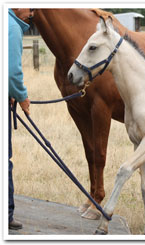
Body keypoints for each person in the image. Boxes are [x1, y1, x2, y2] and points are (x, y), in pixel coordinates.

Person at [9, 8, 34, 230]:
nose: (32, 12)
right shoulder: (12, 27)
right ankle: (6, 215)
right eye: (30, 7)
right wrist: (21, 97)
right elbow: (11, 72)